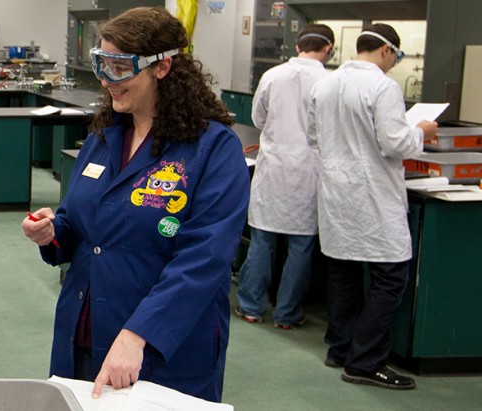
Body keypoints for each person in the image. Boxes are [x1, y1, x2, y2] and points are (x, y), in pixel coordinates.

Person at [21, 7, 248, 402]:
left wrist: (139, 333)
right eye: (101, 63)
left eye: (120, 67)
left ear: (162, 68)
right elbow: (81, 223)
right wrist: (53, 231)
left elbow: (205, 257)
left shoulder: (211, 148)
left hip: (159, 343)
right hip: (85, 327)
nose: (107, 80)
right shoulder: (105, 136)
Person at [307, 23, 437, 390]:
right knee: (390, 275)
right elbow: (395, 143)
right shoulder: (383, 86)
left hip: (336, 192)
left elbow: (312, 136)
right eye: (396, 57)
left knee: (343, 273)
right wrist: (421, 132)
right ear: (386, 51)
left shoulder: (325, 83)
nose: (394, 64)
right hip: (372, 194)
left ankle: (340, 348)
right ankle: (365, 362)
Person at [234, 24, 335, 330]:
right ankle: (287, 314)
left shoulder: (273, 75)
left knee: (262, 241)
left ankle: (251, 307)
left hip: (274, 167)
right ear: (328, 49)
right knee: (301, 247)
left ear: (297, 47)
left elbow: (258, 117)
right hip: (308, 170)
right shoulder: (328, 81)